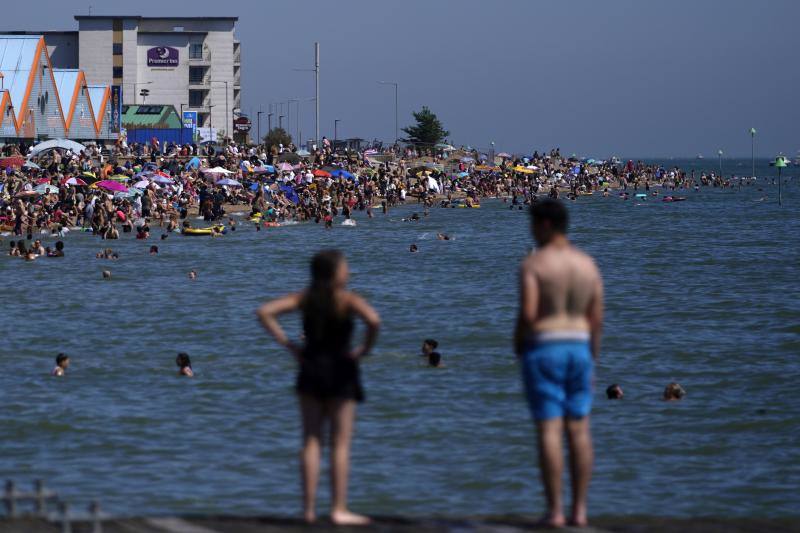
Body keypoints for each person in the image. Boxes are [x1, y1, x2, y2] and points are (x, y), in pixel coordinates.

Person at [256, 250, 380, 525]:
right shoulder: (346, 299)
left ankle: (308, 511)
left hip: (310, 366)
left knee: (311, 440)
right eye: (345, 267)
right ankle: (338, 509)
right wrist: (364, 349)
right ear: (336, 273)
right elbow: (373, 320)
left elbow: (265, 311)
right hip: (341, 368)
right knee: (340, 443)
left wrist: (290, 346)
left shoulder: (305, 298)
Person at [514, 199, 603, 528]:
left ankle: (555, 512)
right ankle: (579, 511)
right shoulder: (587, 265)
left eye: (532, 225)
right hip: (579, 347)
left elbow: (527, 314)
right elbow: (596, 319)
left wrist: (517, 343)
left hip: (545, 346)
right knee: (579, 429)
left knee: (550, 429)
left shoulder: (535, 265)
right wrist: (593, 358)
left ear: (545, 225)